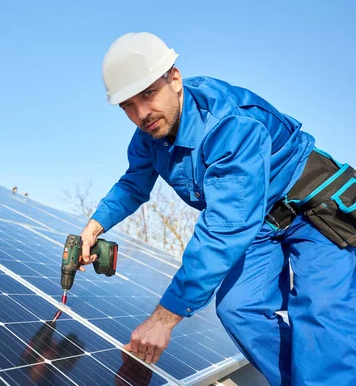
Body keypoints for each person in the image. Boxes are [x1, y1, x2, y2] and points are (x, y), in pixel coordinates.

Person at [79, 32, 356, 386]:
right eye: (128, 106)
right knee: (239, 310)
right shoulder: (150, 138)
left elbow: (227, 225)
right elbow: (133, 183)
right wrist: (95, 224)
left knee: (322, 316)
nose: (142, 114)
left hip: (311, 208)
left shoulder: (229, 123)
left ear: (174, 79)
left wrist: (164, 320)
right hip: (258, 225)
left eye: (148, 93)